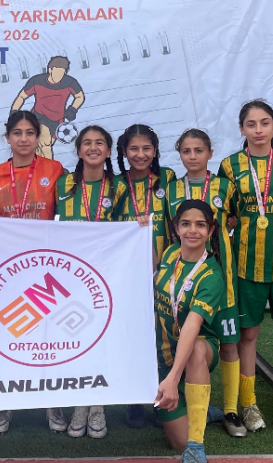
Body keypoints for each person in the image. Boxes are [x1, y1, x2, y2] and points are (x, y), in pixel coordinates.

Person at [218, 100, 273, 434]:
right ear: (242, 128)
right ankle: (249, 404)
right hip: (246, 265)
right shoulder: (230, 166)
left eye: (265, 122)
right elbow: (228, 214)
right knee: (248, 334)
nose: (258, 130)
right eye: (251, 124)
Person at [0, 110, 65, 433]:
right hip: (8, 268)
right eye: (17, 133)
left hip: (45, 266)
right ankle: (4, 405)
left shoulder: (54, 169)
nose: (23, 139)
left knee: (48, 336)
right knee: (8, 334)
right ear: (7, 138)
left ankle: (52, 403)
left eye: (30, 133)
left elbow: (63, 214)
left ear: (38, 137)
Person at [166, 129, 244, 438]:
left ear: (210, 153)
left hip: (221, 278)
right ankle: (188, 404)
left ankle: (231, 410)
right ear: (180, 154)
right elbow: (168, 229)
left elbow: (234, 219)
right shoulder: (171, 189)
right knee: (186, 340)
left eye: (199, 150)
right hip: (184, 281)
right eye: (186, 151)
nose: (193, 156)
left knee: (229, 343)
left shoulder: (226, 186)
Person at [55, 125, 121, 438]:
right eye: (87, 143)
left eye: (100, 143)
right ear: (78, 150)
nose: (93, 148)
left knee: (102, 339)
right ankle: (80, 403)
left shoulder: (120, 187)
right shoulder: (63, 184)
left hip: (106, 276)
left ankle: (97, 406)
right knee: (76, 338)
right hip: (70, 276)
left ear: (108, 151)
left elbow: (127, 229)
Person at [154, 200, 224, 463]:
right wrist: (139, 228)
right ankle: (200, 409)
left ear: (210, 230)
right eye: (186, 224)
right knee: (176, 441)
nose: (192, 230)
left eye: (200, 225)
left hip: (199, 348)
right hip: (163, 352)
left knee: (194, 350)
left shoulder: (211, 275)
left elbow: (193, 326)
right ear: (176, 228)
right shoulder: (171, 253)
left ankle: (196, 449)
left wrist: (172, 378)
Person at [114, 123, 177, 429]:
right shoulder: (115, 184)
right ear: (124, 152)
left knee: (163, 333)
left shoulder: (168, 178)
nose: (140, 155)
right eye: (134, 149)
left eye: (146, 148)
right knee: (133, 334)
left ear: (155, 151)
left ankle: (166, 395)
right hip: (127, 274)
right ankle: (134, 400)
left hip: (165, 271)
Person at [10, 56, 85, 159]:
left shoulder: (70, 82)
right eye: (57, 72)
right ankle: (47, 167)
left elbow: (80, 96)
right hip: (38, 117)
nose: (59, 76)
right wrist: (14, 112)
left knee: (44, 146)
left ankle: (41, 166)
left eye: (62, 73)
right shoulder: (37, 81)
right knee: (44, 143)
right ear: (50, 70)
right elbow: (21, 96)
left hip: (57, 121)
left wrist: (73, 109)